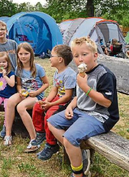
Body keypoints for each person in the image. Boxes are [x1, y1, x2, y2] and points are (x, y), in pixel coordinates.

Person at [47, 37, 119, 177]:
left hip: (100, 116)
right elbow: (78, 96)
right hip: (81, 110)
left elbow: (107, 102)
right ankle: (77, 152)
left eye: (84, 54)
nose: (80, 59)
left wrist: (85, 87)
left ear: (95, 55)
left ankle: (78, 173)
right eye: (76, 56)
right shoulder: (81, 73)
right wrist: (71, 107)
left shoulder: (104, 75)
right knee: (51, 121)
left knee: (69, 138)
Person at [32, 45, 76, 161]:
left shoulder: (69, 74)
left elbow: (67, 96)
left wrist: (51, 105)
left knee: (49, 115)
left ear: (60, 59)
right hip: (57, 98)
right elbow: (54, 90)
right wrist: (46, 101)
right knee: (38, 106)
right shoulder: (58, 72)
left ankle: (51, 145)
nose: (49, 58)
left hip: (65, 102)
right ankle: (40, 132)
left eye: (51, 56)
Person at [3, 42, 49, 152]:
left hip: (35, 96)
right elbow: (19, 84)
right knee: (10, 102)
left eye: (26, 53)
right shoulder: (18, 69)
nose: (23, 56)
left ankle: (34, 139)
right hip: (24, 94)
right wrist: (20, 91)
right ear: (17, 55)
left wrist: (37, 92)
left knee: (20, 107)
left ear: (31, 54)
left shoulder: (38, 68)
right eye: (21, 54)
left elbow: (46, 83)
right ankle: (8, 134)